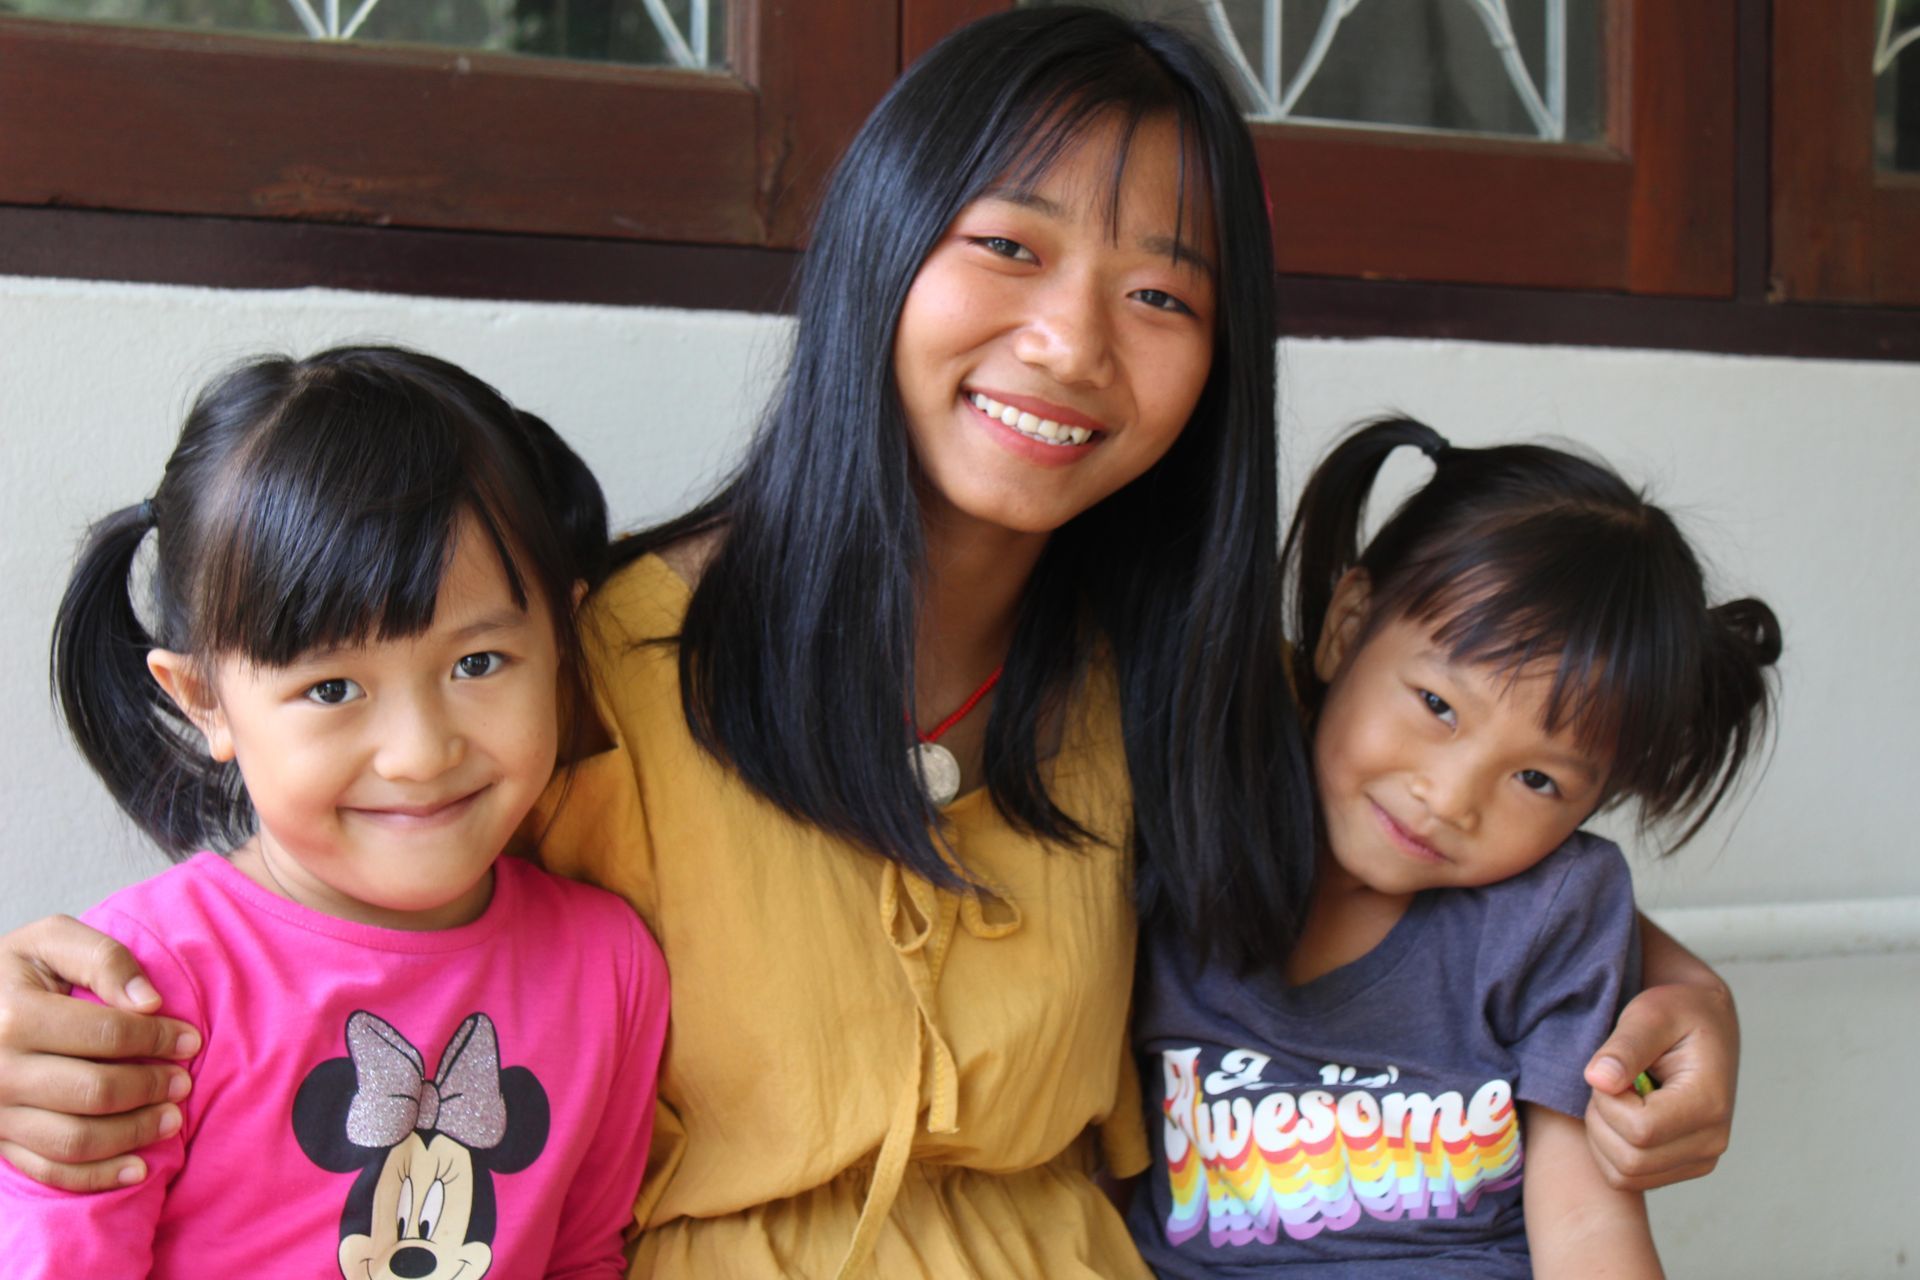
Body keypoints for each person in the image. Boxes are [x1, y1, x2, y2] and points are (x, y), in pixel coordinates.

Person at [0, 11, 1739, 1278]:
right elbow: (305, 916)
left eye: (1161, 294)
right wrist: (41, 1033)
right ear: (877, 255)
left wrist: (1683, 986)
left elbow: (1447, 806)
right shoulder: (589, 674)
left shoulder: (1189, 688)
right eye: (1006, 246)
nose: (1069, 343)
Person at [0, 347, 668, 1278]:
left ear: (559, 637)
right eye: (333, 687)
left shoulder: (610, 965)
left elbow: (584, 1255)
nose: (420, 752)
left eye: (476, 665)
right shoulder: (140, 993)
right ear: (205, 702)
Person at [1129, 418, 1779, 1278]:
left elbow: (1589, 1231)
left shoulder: (1548, 919)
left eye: (1539, 780)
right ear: (1346, 627)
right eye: (1438, 705)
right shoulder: (1179, 825)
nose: (1450, 797)